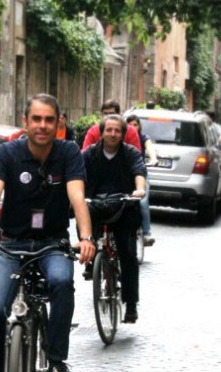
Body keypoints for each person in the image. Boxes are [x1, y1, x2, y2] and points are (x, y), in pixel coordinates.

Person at [0, 93, 95, 372]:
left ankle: (57, 359)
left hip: (52, 244)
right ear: (26, 122)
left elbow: (77, 196)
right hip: (12, 244)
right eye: (36, 119)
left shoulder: (68, 152)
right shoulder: (7, 154)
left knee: (60, 282)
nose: (42, 125)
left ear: (58, 123)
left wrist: (85, 237)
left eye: (49, 119)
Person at [83, 114, 147, 323]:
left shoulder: (131, 153)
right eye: (108, 130)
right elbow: (76, 175)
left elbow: (139, 172)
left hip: (123, 206)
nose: (112, 134)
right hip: (95, 204)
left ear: (123, 134)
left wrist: (139, 190)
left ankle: (130, 305)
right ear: (101, 132)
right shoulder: (89, 154)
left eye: (117, 131)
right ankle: (91, 258)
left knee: (128, 254)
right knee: (83, 222)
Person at [126, 114, 157, 247]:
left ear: (139, 126)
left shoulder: (143, 138)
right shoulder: (122, 136)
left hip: (140, 172)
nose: (133, 127)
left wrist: (153, 158)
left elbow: (150, 148)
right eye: (130, 124)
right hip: (124, 173)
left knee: (143, 201)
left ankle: (146, 233)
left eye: (135, 124)